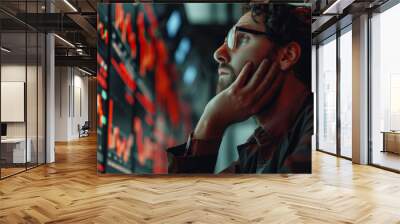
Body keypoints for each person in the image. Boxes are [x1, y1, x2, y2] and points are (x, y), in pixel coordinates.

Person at [167, 3, 313, 173]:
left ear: (287, 55)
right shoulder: (259, 148)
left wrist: (212, 120)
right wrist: (211, 121)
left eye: (239, 38)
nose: (218, 53)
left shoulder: (318, 133)